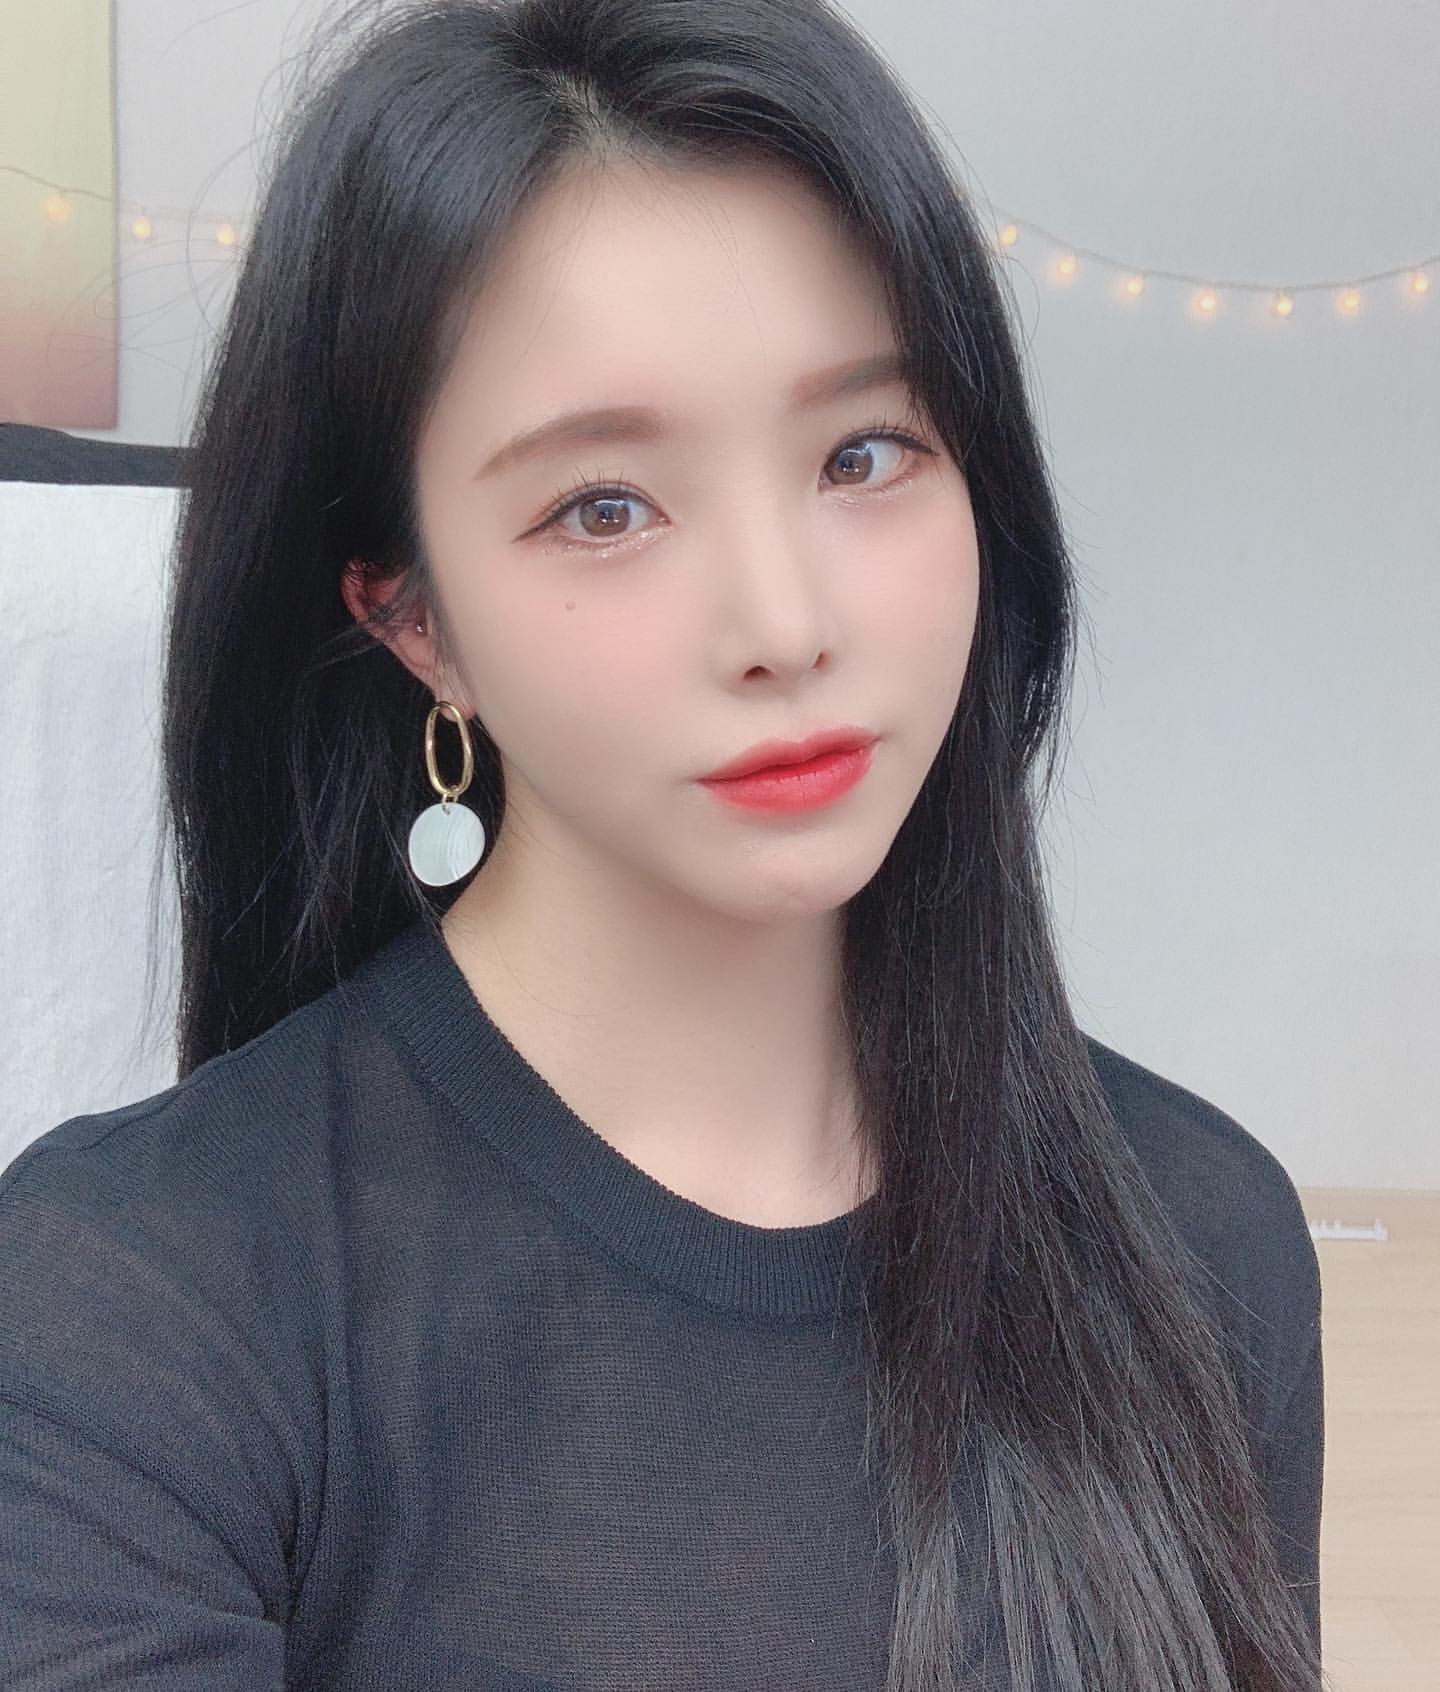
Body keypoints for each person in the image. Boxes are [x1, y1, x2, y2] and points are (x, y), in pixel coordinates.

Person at [0, 0, 1326, 1687]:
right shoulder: (128, 1313)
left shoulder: (1200, 1233)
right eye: (604, 507)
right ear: (416, 622)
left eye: (864, 453)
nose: (784, 623)